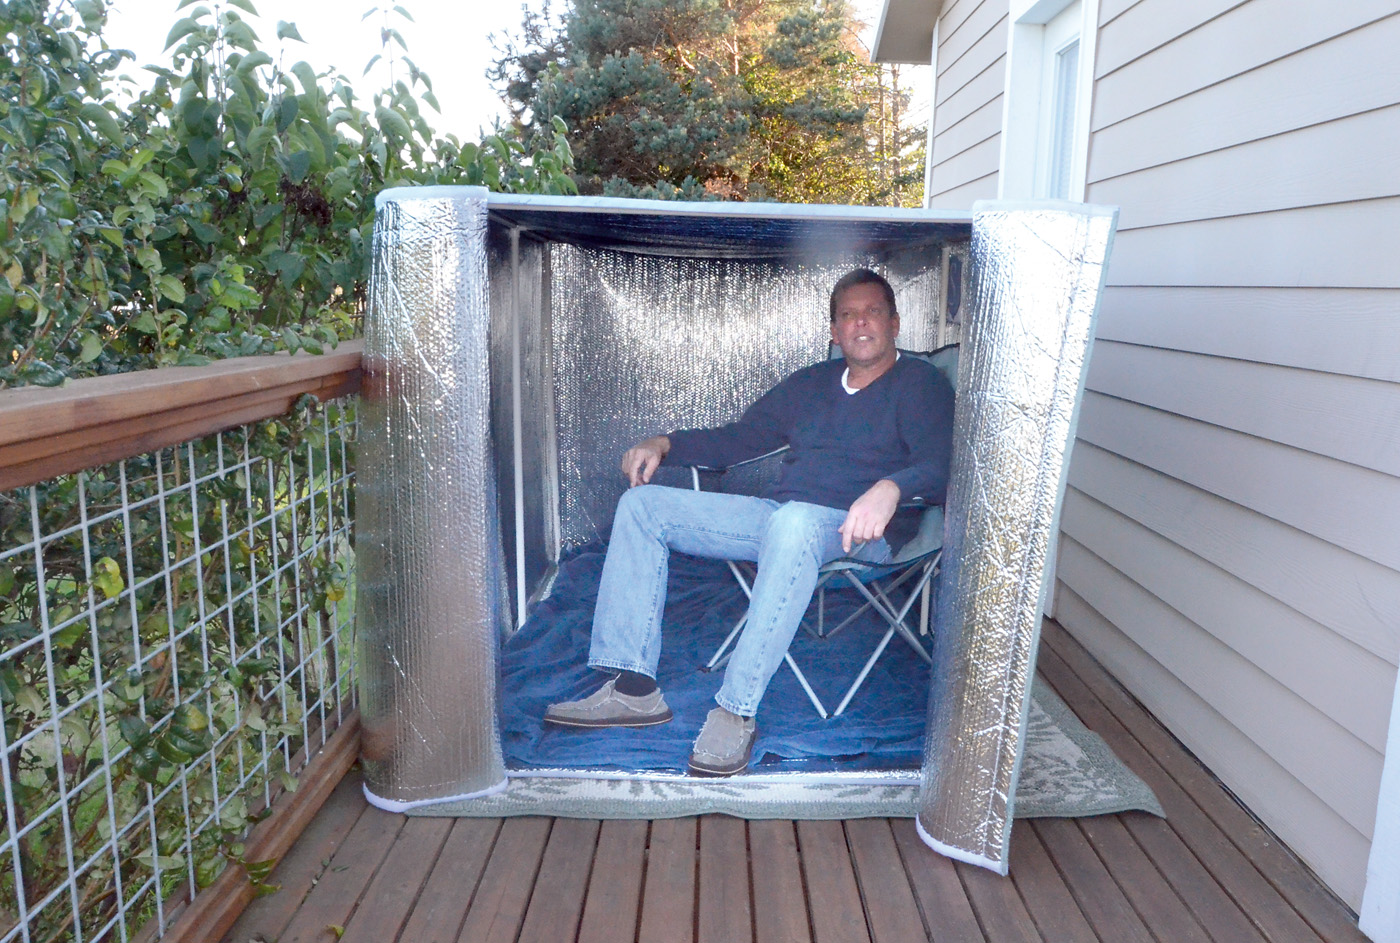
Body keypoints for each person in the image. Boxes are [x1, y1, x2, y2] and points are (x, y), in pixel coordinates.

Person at [543, 268, 956, 776]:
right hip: (783, 520)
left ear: (894, 323)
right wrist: (665, 444)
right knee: (642, 506)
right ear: (834, 331)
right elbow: (738, 440)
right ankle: (633, 689)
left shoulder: (921, 384)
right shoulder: (810, 384)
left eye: (871, 311)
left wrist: (892, 487)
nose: (860, 322)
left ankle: (736, 709)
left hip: (860, 533)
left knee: (795, 523)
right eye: (848, 314)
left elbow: (942, 465)